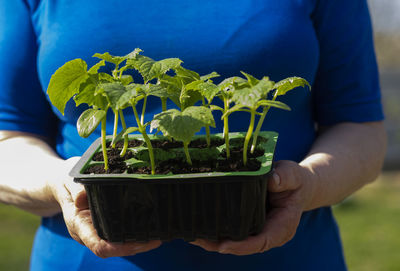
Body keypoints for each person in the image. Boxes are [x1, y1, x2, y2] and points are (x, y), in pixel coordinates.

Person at [0, 0, 386, 270]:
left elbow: (360, 126)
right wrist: (61, 184)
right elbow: (8, 138)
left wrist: (311, 182)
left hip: (291, 259)